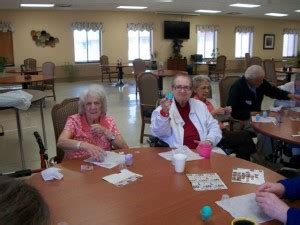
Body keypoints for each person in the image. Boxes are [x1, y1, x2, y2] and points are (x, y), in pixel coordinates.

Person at [192, 75, 256, 160]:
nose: (207, 91)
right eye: (203, 88)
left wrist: (226, 114)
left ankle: (244, 166)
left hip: (221, 131)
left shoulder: (207, 102)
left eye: (208, 88)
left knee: (241, 145)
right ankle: (256, 160)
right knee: (245, 135)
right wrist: (214, 112)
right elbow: (198, 123)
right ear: (195, 90)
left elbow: (216, 119)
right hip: (213, 136)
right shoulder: (194, 103)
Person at [57, 84, 128, 161]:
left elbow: (125, 148)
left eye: (97, 103)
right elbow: (61, 142)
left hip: (104, 165)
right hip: (77, 165)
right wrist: (84, 145)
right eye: (88, 103)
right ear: (83, 106)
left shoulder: (108, 121)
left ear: (102, 105)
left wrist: (107, 132)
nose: (93, 107)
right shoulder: (74, 121)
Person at [150, 74, 222, 149]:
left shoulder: (200, 105)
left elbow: (214, 126)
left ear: (191, 90)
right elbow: (158, 133)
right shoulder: (162, 109)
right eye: (178, 87)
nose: (182, 91)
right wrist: (164, 113)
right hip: (175, 153)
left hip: (202, 151)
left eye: (186, 87)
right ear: (172, 89)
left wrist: (209, 141)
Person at [227, 65, 300, 122]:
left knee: (277, 124)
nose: (262, 82)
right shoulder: (237, 87)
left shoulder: (260, 83)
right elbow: (232, 110)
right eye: (259, 81)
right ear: (250, 80)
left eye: (262, 79)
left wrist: (290, 95)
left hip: (258, 116)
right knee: (266, 132)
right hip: (245, 119)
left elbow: (273, 91)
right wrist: (250, 114)